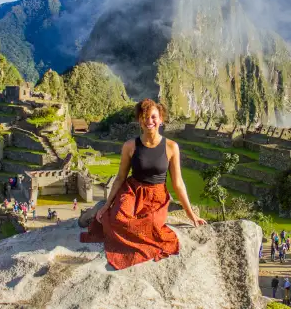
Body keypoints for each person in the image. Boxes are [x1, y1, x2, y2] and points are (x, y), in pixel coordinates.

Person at [80, 99, 206, 270]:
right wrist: (108, 204)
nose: (149, 121)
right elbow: (120, 178)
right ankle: (103, 208)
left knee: (153, 226)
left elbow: (178, 183)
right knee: (118, 219)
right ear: (139, 121)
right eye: (145, 117)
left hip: (156, 196)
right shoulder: (130, 146)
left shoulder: (171, 147)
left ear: (161, 119)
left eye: (153, 117)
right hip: (132, 191)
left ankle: (112, 216)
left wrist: (191, 215)